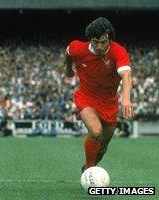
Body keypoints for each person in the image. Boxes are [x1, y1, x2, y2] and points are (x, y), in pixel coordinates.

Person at [64, 17, 134, 172]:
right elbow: (68, 52)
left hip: (109, 102)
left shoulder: (118, 51)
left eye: (104, 42)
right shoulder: (78, 48)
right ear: (90, 40)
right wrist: (69, 69)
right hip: (86, 97)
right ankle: (89, 171)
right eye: (96, 42)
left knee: (102, 147)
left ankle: (89, 168)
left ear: (109, 39)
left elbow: (126, 76)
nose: (100, 46)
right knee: (96, 132)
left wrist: (126, 100)